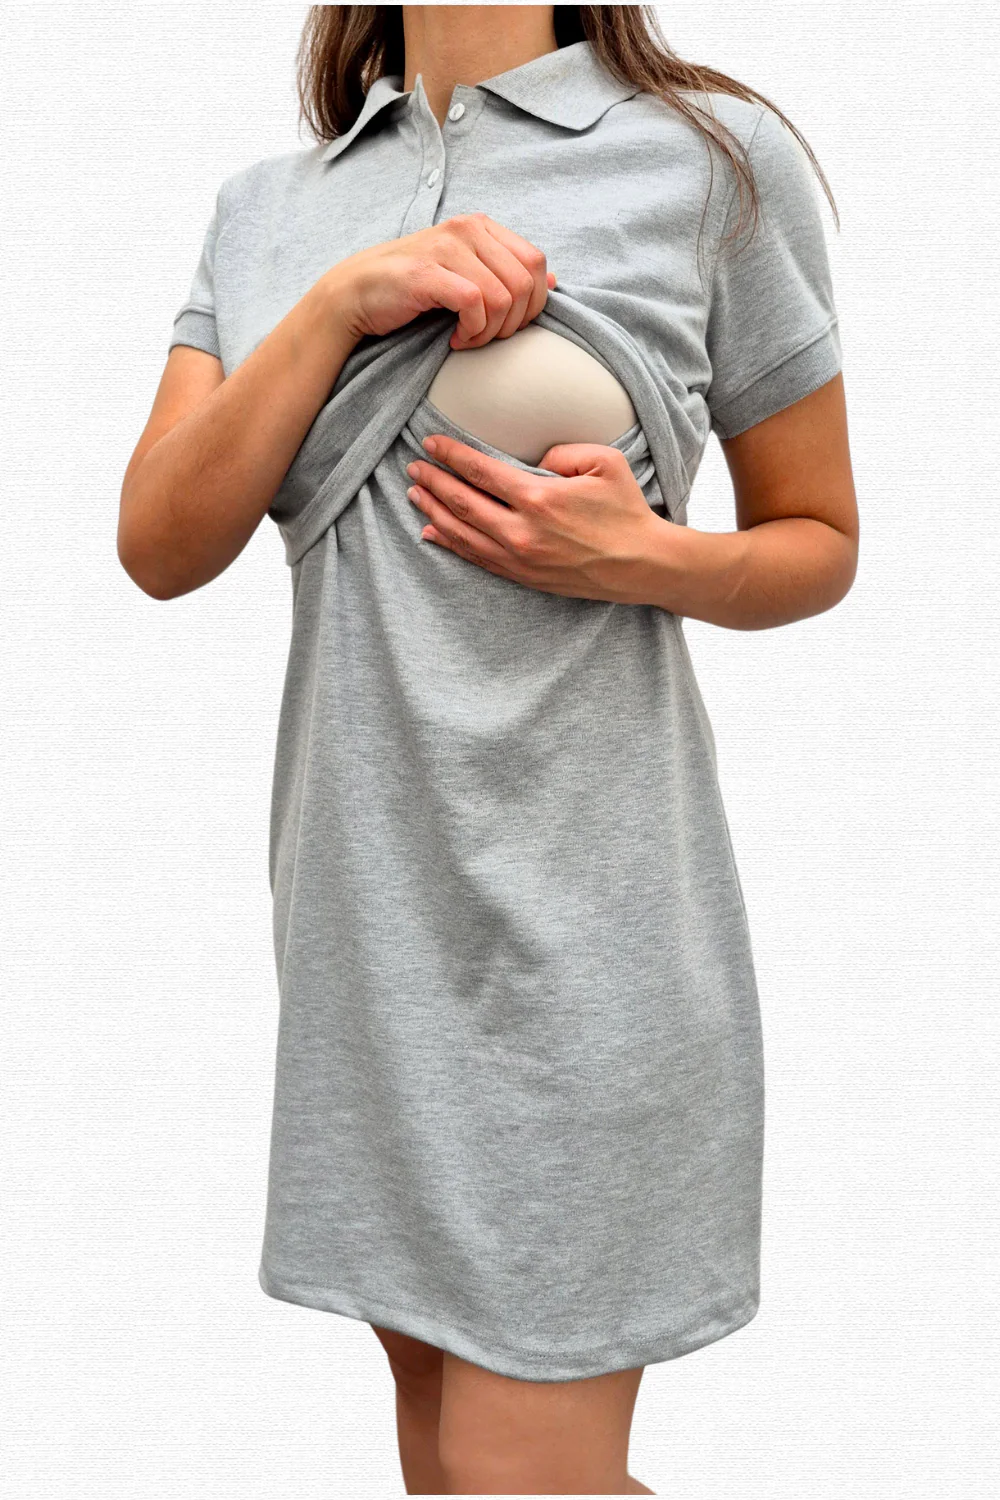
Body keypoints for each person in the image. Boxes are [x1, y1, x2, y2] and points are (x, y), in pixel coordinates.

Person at [118, 4, 858, 1493]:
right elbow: (159, 544)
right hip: (366, 934)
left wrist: (648, 558)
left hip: (594, 943)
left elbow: (819, 538)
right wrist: (341, 301)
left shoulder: (711, 158)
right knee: (447, 1464)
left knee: (521, 1475)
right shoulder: (269, 208)